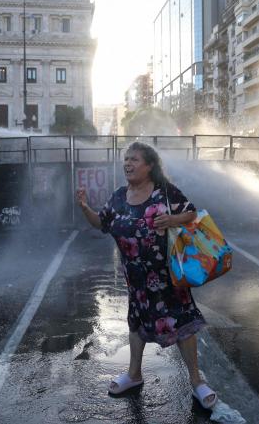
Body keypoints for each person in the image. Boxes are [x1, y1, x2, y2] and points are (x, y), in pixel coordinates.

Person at [76, 141, 218, 409]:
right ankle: (134, 374)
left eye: (134, 159)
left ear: (150, 165)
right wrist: (85, 207)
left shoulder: (164, 192)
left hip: (168, 277)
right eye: (126, 159)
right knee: (136, 323)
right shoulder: (118, 196)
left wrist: (173, 220)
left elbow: (191, 213)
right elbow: (101, 223)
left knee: (183, 323)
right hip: (136, 280)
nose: (127, 163)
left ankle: (197, 382)